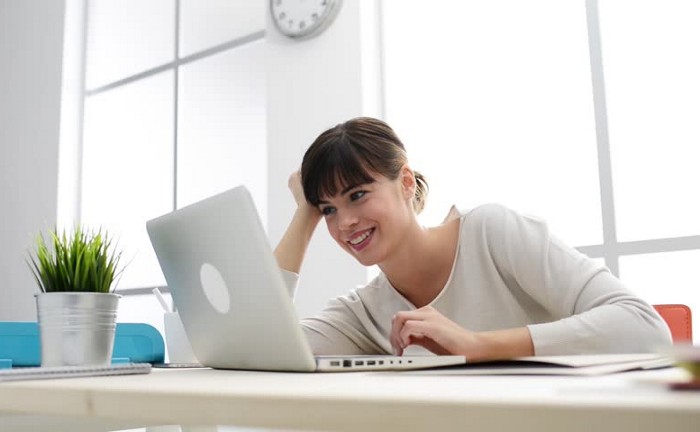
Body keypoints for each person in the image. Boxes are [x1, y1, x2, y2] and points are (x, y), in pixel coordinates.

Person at [274, 117, 671, 361]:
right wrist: (303, 214)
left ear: (406, 183)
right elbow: (259, 346)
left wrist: (479, 345)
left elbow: (644, 326)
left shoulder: (491, 234)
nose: (344, 222)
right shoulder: (363, 312)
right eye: (328, 209)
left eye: (357, 195)